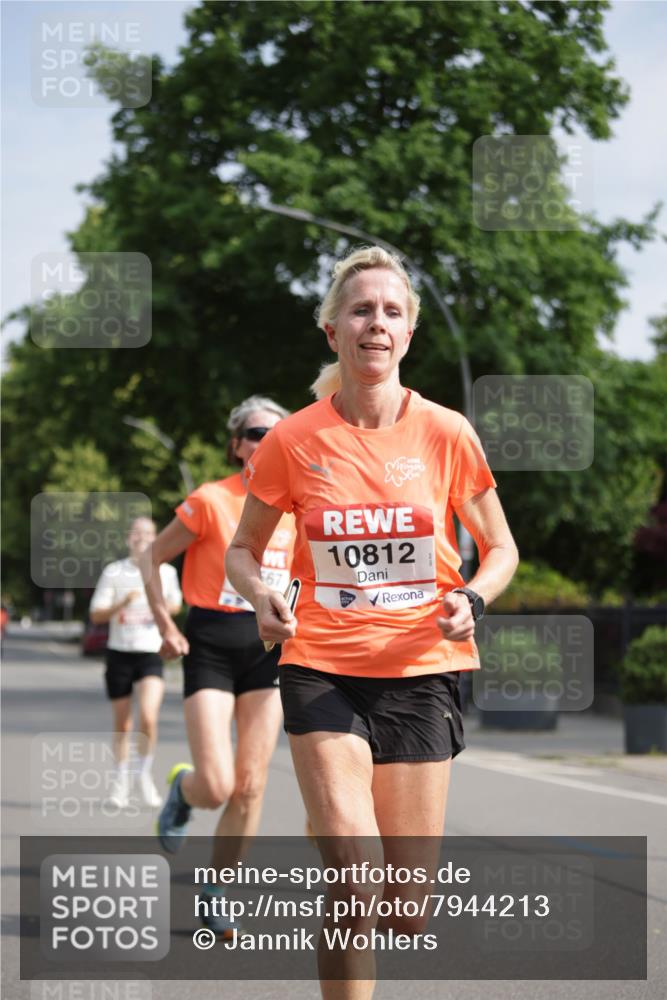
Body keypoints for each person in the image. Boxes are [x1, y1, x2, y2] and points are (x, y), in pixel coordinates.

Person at [225, 246, 519, 998]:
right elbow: (242, 553)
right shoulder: (293, 440)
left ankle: (335, 823)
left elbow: (500, 549)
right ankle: (339, 831)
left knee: (407, 912)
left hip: (422, 672)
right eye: (360, 310)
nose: (375, 324)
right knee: (355, 886)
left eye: (391, 311)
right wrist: (261, 594)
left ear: (409, 332)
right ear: (332, 330)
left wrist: (473, 599)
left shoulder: (446, 433)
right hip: (320, 665)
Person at [139, 396, 296, 936]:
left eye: (275, 434)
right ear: (236, 445)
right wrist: (165, 624)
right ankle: (184, 791)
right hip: (209, 645)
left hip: (269, 653)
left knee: (251, 786)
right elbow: (151, 557)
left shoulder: (299, 508)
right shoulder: (209, 500)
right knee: (218, 783)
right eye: (255, 433)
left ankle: (216, 888)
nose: (264, 442)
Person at [89, 516, 182, 808]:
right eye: (137, 532)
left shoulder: (164, 572)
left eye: (148, 533)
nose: (142, 537)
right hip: (119, 653)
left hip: (150, 653)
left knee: (149, 717)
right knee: (123, 724)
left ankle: (143, 775)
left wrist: (157, 604)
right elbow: (96, 615)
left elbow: (176, 604)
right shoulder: (114, 572)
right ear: (129, 537)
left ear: (156, 538)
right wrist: (122, 603)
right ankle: (121, 780)